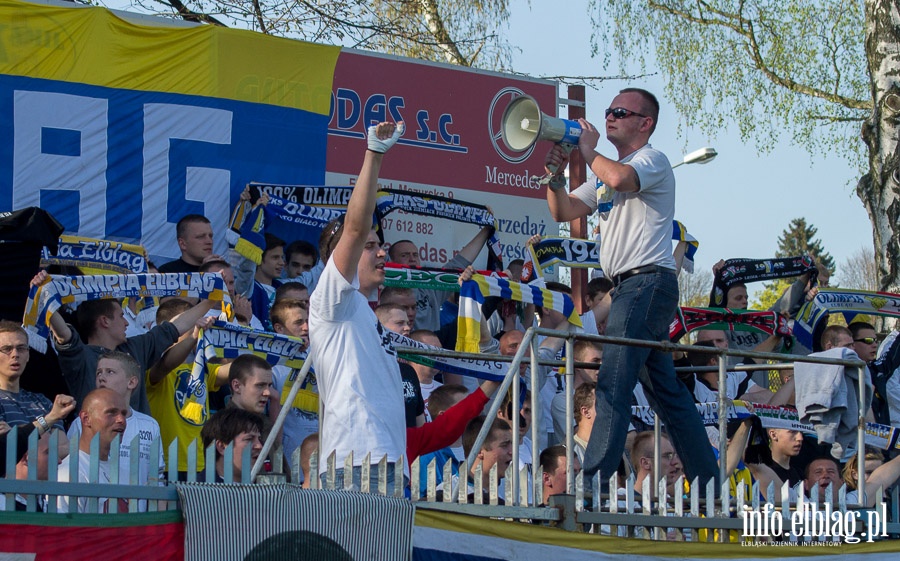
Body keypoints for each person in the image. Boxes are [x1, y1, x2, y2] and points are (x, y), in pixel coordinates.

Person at [542, 87, 718, 488]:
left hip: (645, 282)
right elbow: (563, 209)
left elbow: (621, 178)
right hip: (632, 289)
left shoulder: (651, 159)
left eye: (621, 112)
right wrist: (553, 177)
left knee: (613, 383)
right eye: (608, 111)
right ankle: (709, 483)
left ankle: (592, 483)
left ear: (645, 123)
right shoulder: (605, 171)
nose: (610, 117)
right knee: (666, 395)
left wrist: (586, 151)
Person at [308, 121, 407, 491]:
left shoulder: (363, 313)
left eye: (380, 244)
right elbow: (353, 228)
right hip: (358, 464)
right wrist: (374, 155)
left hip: (388, 462)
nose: (382, 251)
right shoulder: (332, 301)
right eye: (370, 246)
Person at [33, 270, 213, 415]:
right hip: (97, 447)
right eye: (121, 316)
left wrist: (210, 301)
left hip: (138, 446)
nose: (127, 322)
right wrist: (44, 296)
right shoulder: (81, 356)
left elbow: (175, 326)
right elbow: (63, 333)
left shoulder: (135, 347)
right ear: (105, 321)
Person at [68, 352, 165, 508]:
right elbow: (72, 466)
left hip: (138, 519)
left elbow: (157, 481)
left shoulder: (149, 425)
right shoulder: (81, 423)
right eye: (98, 372)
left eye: (110, 372)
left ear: (132, 382)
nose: (101, 377)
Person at [56, 388, 129, 513]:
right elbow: (65, 530)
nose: (121, 420)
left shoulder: (122, 471)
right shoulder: (70, 473)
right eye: (111, 413)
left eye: (123, 413)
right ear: (86, 419)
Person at [0, 320, 66, 433]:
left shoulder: (42, 401)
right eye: (7, 349)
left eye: (21, 348)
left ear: (28, 355)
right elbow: (3, 444)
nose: (15, 354)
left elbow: (62, 446)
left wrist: (13, 433)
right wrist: (48, 421)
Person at [199, 406, 264, 483]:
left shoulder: (265, 491)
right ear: (222, 447)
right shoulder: (195, 492)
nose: (259, 446)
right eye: (249, 439)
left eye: (259, 439)